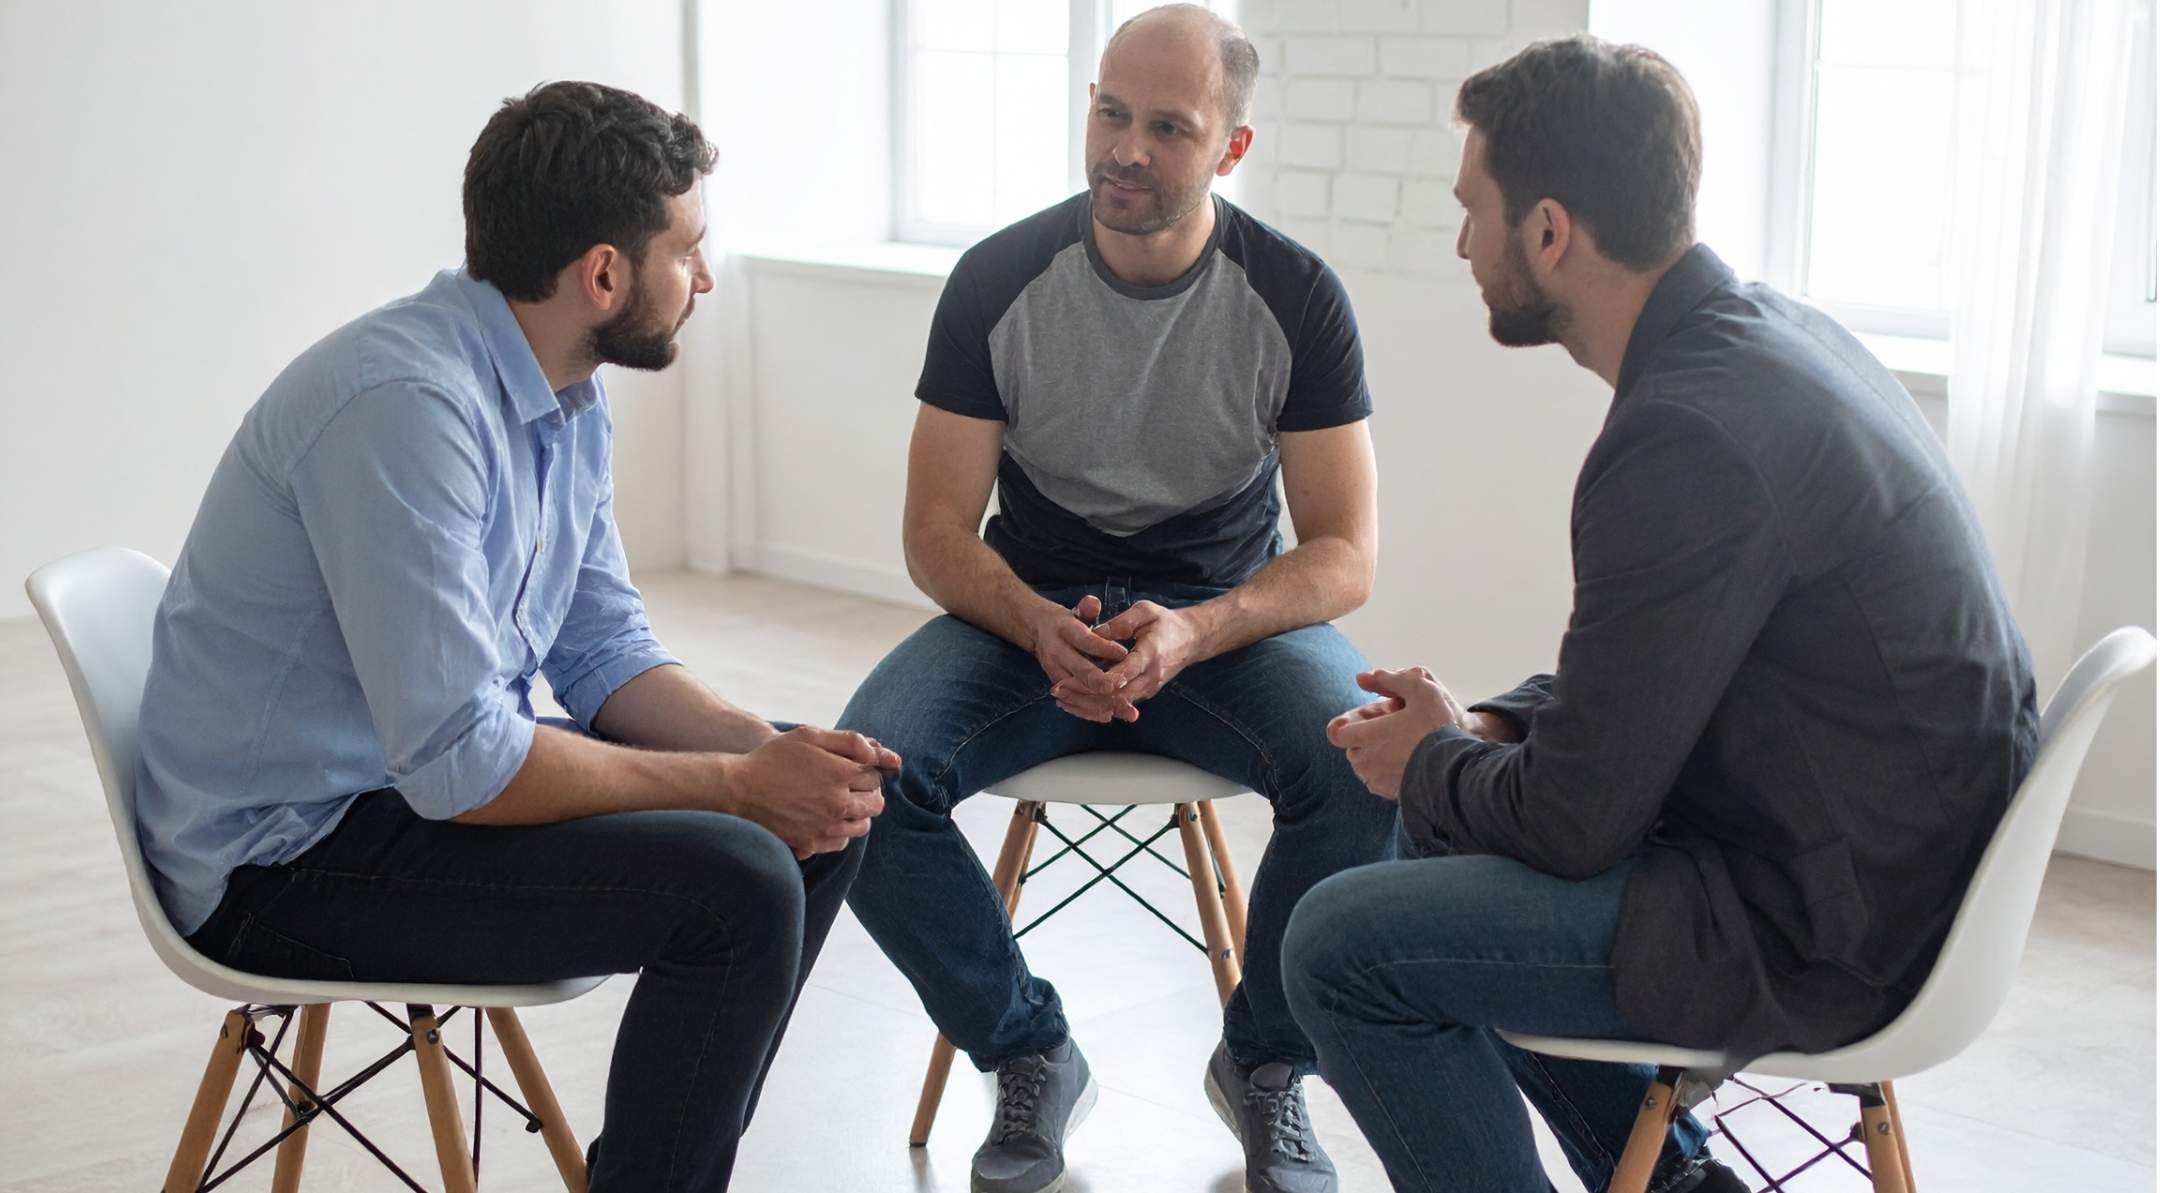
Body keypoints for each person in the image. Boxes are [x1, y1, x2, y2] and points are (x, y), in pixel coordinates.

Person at [1282, 36, 2038, 1193]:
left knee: (1337, 947)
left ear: (1549, 231)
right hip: (1873, 855)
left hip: (1828, 921)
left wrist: (1429, 758)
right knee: (1437, 817)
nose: (1462, 243)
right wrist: (1479, 729)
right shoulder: (1762, 339)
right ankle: (1677, 1183)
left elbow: (1575, 822)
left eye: (1472, 211)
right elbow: (1653, 677)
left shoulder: (1686, 435)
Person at [134, 81, 893, 1192]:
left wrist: (771, 752)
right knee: (741, 878)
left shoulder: (562, 394)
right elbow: (463, 762)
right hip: (284, 862)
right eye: (690, 250)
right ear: (603, 274)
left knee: (819, 814)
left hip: (397, 794)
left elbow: (600, 653)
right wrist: (734, 782)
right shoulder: (407, 405)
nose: (706, 278)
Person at [834, 6, 1393, 1191]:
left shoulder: (1295, 294)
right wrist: (1035, 620)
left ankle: (1267, 1064)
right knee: (859, 783)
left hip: (1218, 617)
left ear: (1231, 150)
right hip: (1026, 613)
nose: (1126, 149)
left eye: (1168, 127)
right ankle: (1029, 1048)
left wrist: (1199, 626)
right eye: (1110, 112)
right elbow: (935, 531)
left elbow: (1345, 551)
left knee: (1368, 763)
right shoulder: (997, 277)